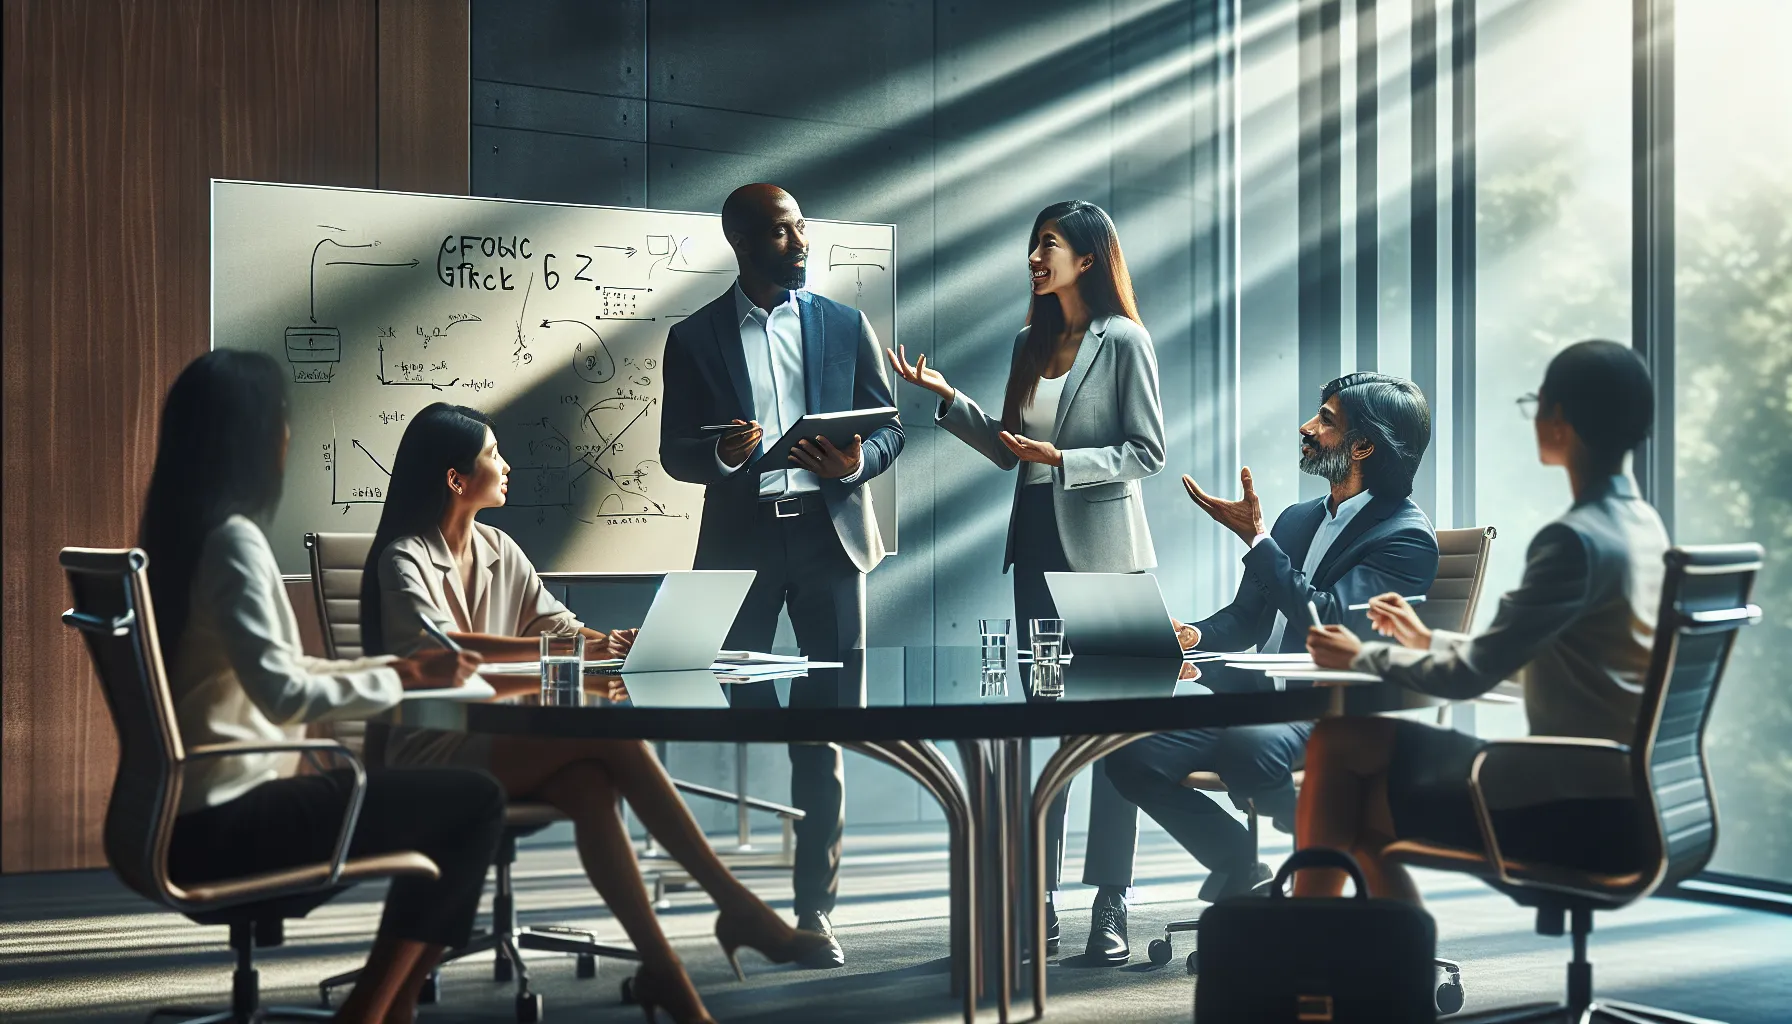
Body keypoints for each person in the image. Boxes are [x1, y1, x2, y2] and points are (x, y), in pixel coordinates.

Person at [361, 402, 836, 1023]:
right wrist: (562, 647)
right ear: (456, 479)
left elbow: (559, 627)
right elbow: (441, 651)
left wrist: (612, 640)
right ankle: (737, 908)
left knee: (589, 783)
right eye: (493, 455)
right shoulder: (406, 558)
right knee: (609, 742)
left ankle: (668, 975)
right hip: (430, 751)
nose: (507, 466)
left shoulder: (500, 549)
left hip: (500, 742)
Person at [139, 350, 506, 1024]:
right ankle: (370, 1012)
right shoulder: (233, 543)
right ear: (252, 436)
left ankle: (387, 1009)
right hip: (234, 822)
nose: (287, 437)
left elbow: (288, 669)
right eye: (280, 421)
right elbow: (285, 693)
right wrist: (401, 675)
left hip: (184, 815)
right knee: (474, 802)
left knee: (448, 802)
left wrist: (401, 673)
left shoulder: (182, 535)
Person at [886, 199, 1165, 963]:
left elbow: (1148, 452)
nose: (1036, 257)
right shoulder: (1028, 341)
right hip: (1036, 559)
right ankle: (1035, 901)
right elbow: (1011, 451)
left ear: (1088, 257)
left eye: (1050, 245)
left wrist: (1066, 463)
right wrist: (950, 400)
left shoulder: (1124, 341)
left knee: (1109, 737)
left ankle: (1110, 903)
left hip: (1108, 559)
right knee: (1046, 723)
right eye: (1033, 245)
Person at [1298, 340, 1667, 903]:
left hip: (1573, 806)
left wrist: (1360, 655)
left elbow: (1470, 677)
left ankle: (1307, 952)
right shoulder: (1641, 527)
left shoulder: (1574, 540)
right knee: (1357, 794)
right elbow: (1570, 666)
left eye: (1536, 405)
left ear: (1560, 420)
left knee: (1341, 750)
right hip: (1630, 795)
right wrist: (1427, 640)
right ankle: (1375, 967)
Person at [1099, 372, 1438, 950]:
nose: (1308, 427)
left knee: (1249, 745)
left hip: (1337, 711)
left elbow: (1328, 624)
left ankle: (1342, 865)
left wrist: (1258, 543)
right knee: (1128, 751)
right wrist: (1188, 638)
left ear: (1364, 446)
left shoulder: (1406, 538)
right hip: (1264, 706)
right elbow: (1246, 622)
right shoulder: (1297, 520)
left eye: (1327, 419)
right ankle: (1240, 867)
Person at [657, 183, 905, 966]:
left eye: (802, 227)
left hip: (831, 543)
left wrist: (858, 461)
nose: (800, 243)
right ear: (742, 242)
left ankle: (812, 912)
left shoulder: (843, 323)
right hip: (743, 543)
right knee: (737, 695)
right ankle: (742, 890)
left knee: (825, 729)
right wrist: (726, 455)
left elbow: (890, 426)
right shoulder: (694, 338)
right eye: (781, 232)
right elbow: (674, 453)